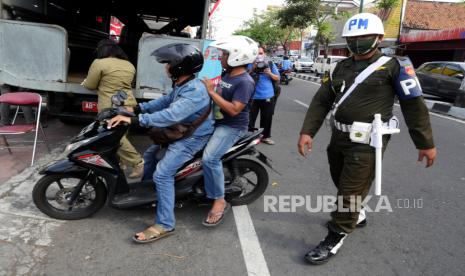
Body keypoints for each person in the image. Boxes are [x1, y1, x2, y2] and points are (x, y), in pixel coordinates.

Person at [297, 13, 437, 265]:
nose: (357, 41)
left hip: (367, 142)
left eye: (364, 37)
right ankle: (357, 214)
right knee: (340, 180)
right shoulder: (341, 66)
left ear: (379, 38)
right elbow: (321, 101)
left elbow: (414, 105)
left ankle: (335, 235)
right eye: (352, 38)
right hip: (338, 137)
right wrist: (307, 131)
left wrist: (425, 143)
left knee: (349, 191)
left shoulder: (395, 66)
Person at [108, 43, 214, 243]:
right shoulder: (183, 84)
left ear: (179, 66)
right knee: (149, 155)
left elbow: (171, 115)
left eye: (168, 63)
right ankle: (148, 197)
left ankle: (165, 224)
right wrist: (136, 109)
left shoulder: (195, 91)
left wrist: (136, 120)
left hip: (192, 137)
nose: (165, 67)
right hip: (179, 132)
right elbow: (164, 103)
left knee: (163, 174)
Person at [200, 35, 257, 226]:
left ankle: (219, 200)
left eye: (224, 54)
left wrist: (211, 92)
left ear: (237, 57)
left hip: (232, 127)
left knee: (210, 158)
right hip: (217, 121)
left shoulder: (245, 81)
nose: (221, 57)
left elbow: (234, 109)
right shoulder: (227, 74)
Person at [82, 39, 144, 178]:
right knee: (121, 135)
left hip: (111, 107)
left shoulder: (99, 63)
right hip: (128, 104)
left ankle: (138, 163)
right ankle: (118, 166)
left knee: (114, 136)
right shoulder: (129, 65)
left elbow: (91, 85)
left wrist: (85, 82)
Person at [248, 47, 280, 145]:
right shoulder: (248, 63)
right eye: (257, 53)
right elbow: (242, 76)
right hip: (252, 96)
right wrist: (252, 69)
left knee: (266, 118)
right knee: (249, 118)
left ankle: (265, 137)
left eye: (261, 53)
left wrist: (269, 73)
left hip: (267, 95)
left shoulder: (269, 64)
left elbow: (277, 78)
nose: (259, 55)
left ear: (264, 54)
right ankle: (248, 137)